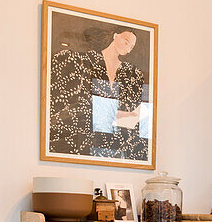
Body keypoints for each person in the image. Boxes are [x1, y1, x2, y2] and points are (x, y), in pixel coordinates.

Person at [49, 25, 148, 161]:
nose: (128, 49)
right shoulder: (78, 62)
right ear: (115, 35)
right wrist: (112, 115)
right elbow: (66, 109)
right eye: (126, 42)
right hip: (80, 146)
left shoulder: (132, 74)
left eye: (131, 47)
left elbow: (134, 117)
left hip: (116, 150)